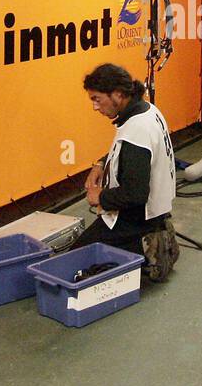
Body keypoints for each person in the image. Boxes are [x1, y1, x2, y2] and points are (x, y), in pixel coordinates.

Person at [76, 63, 179, 281]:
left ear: (118, 94)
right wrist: (101, 163)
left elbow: (135, 194)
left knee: (73, 260)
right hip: (154, 211)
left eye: (97, 99)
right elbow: (127, 152)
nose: (95, 107)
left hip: (136, 220)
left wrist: (99, 197)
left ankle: (144, 247)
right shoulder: (147, 110)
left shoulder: (136, 130)